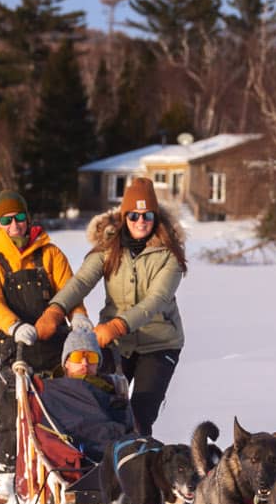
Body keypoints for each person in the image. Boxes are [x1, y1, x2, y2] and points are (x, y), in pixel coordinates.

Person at [35, 176, 185, 437]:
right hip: (116, 345)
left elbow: (156, 300)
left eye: (147, 215)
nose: (141, 222)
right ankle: (98, 469)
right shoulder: (109, 248)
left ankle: (136, 469)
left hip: (159, 344)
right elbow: (81, 281)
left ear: (156, 216)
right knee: (101, 407)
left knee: (139, 416)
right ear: (124, 216)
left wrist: (117, 325)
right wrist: (56, 309)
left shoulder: (170, 254)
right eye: (134, 216)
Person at [0, 190, 84, 496]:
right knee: (11, 401)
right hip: (16, 344)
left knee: (66, 399)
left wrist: (79, 319)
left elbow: (70, 291)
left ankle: (70, 464)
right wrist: (14, 325)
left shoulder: (50, 253)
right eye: (7, 220)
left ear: (28, 219)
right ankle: (6, 472)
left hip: (54, 342)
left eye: (19, 217)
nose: (15, 225)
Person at [38, 316, 135, 456]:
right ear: (66, 362)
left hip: (110, 455)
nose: (85, 363)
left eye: (92, 358)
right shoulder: (49, 390)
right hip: (69, 454)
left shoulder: (111, 390)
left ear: (98, 364)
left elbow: (126, 428)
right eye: (78, 357)